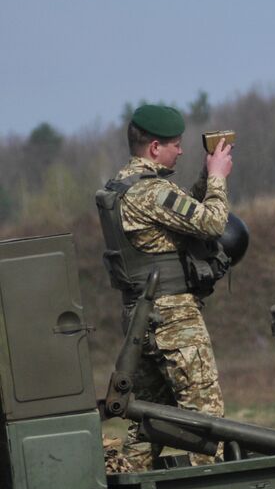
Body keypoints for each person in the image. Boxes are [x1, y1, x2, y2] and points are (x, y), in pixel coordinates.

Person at [95, 103, 234, 468]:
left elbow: (178, 210)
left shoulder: (124, 189)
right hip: (174, 319)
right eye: (175, 144)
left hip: (142, 318)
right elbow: (212, 223)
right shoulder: (150, 192)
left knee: (147, 421)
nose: (182, 150)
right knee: (206, 418)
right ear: (154, 148)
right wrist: (218, 178)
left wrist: (204, 179)